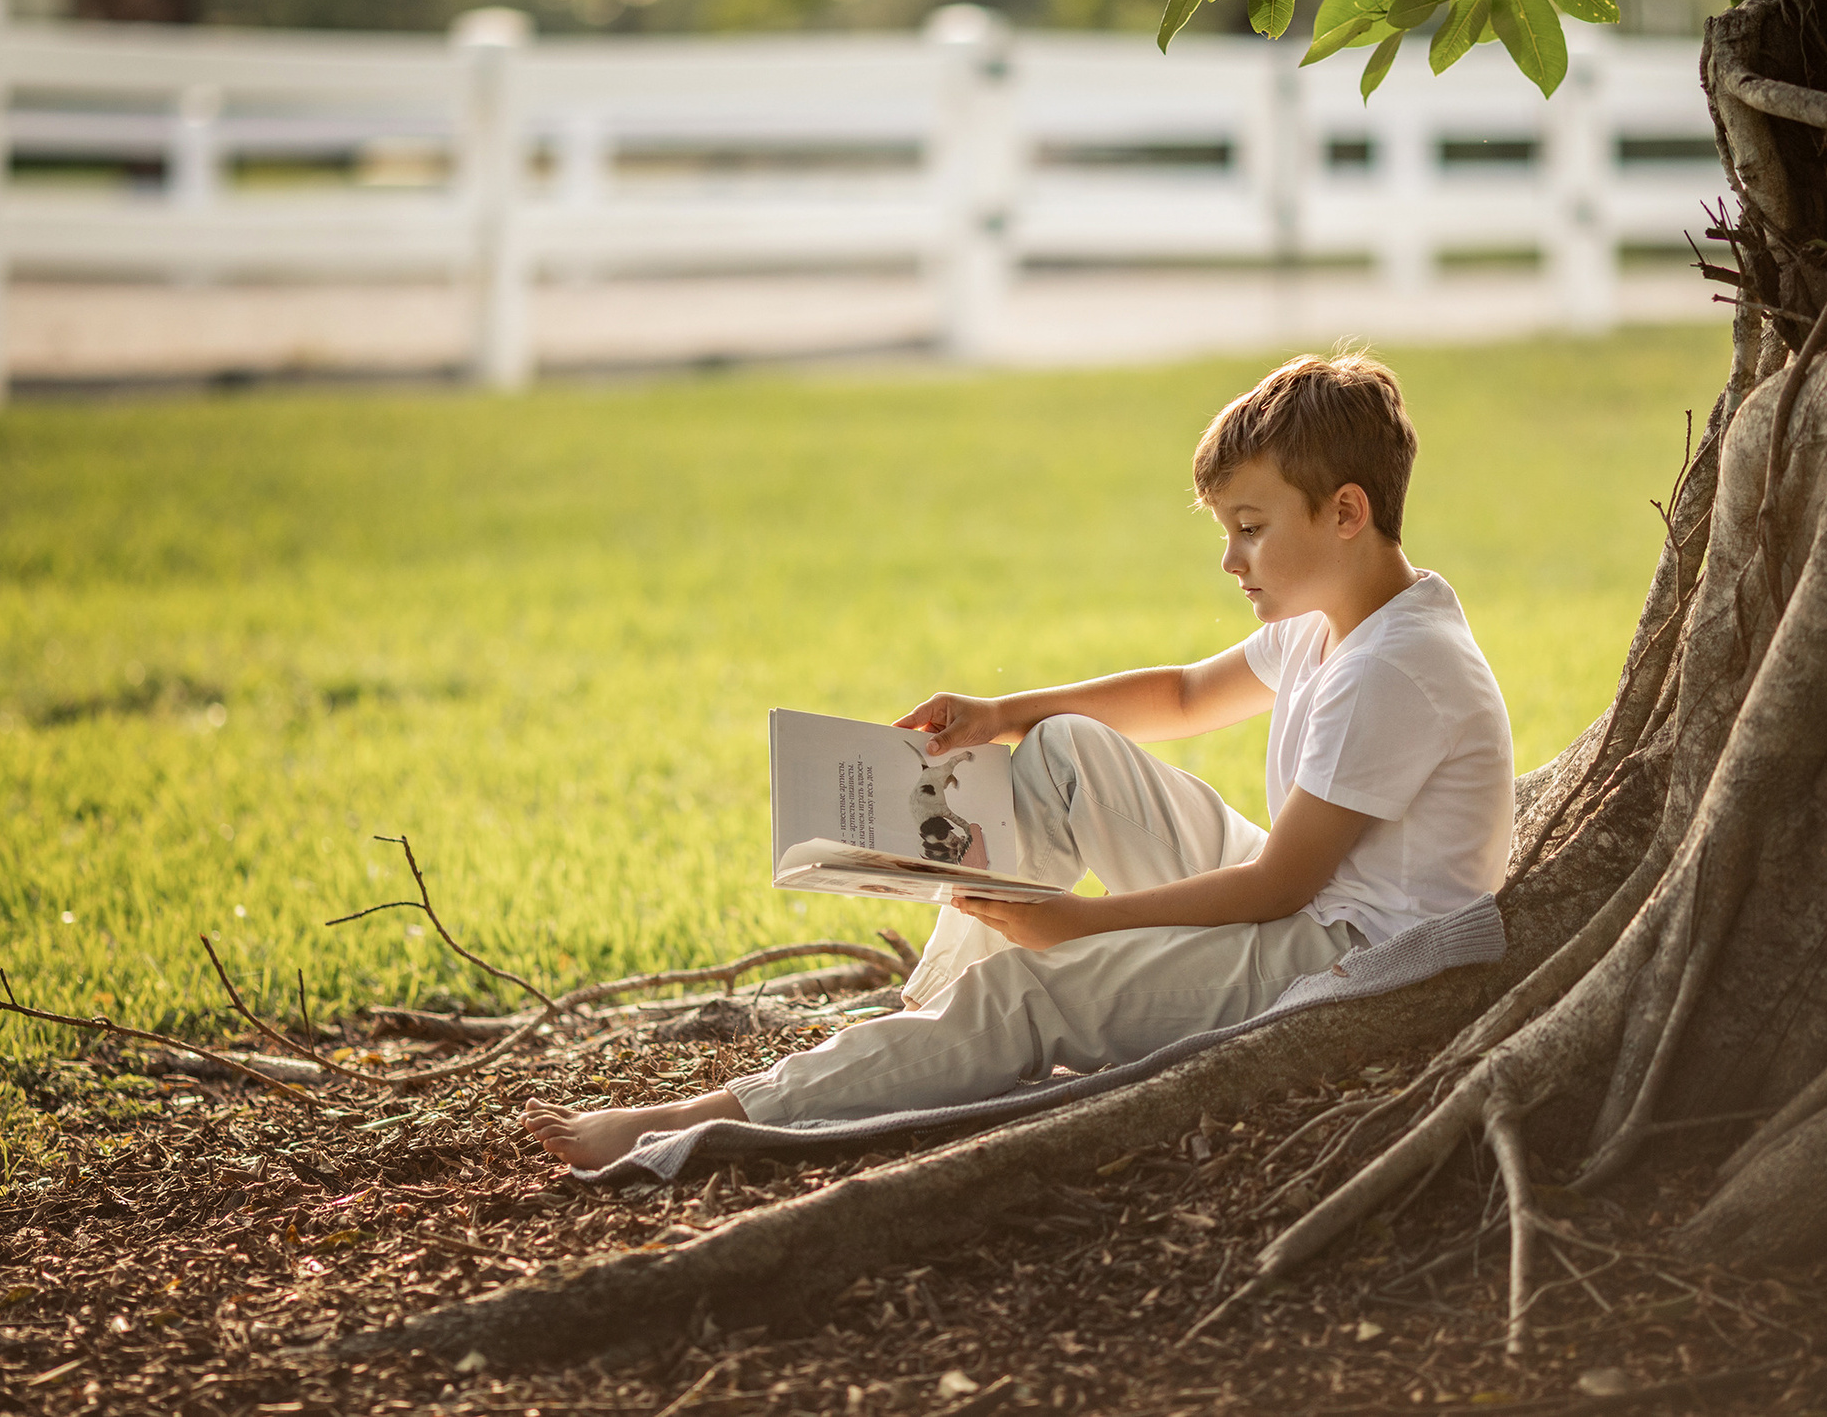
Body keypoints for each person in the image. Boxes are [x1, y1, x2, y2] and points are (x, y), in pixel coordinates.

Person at [525, 351, 1515, 1170]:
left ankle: (720, 1114)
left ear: (1345, 513)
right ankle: (927, 1022)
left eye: (1250, 530)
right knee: (1069, 753)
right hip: (1307, 902)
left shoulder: (1398, 669)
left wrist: (1078, 925)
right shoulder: (1333, 619)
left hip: (1347, 961)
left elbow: (1275, 886)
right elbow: (1179, 695)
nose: (1230, 562)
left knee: (1031, 991)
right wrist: (1002, 713)